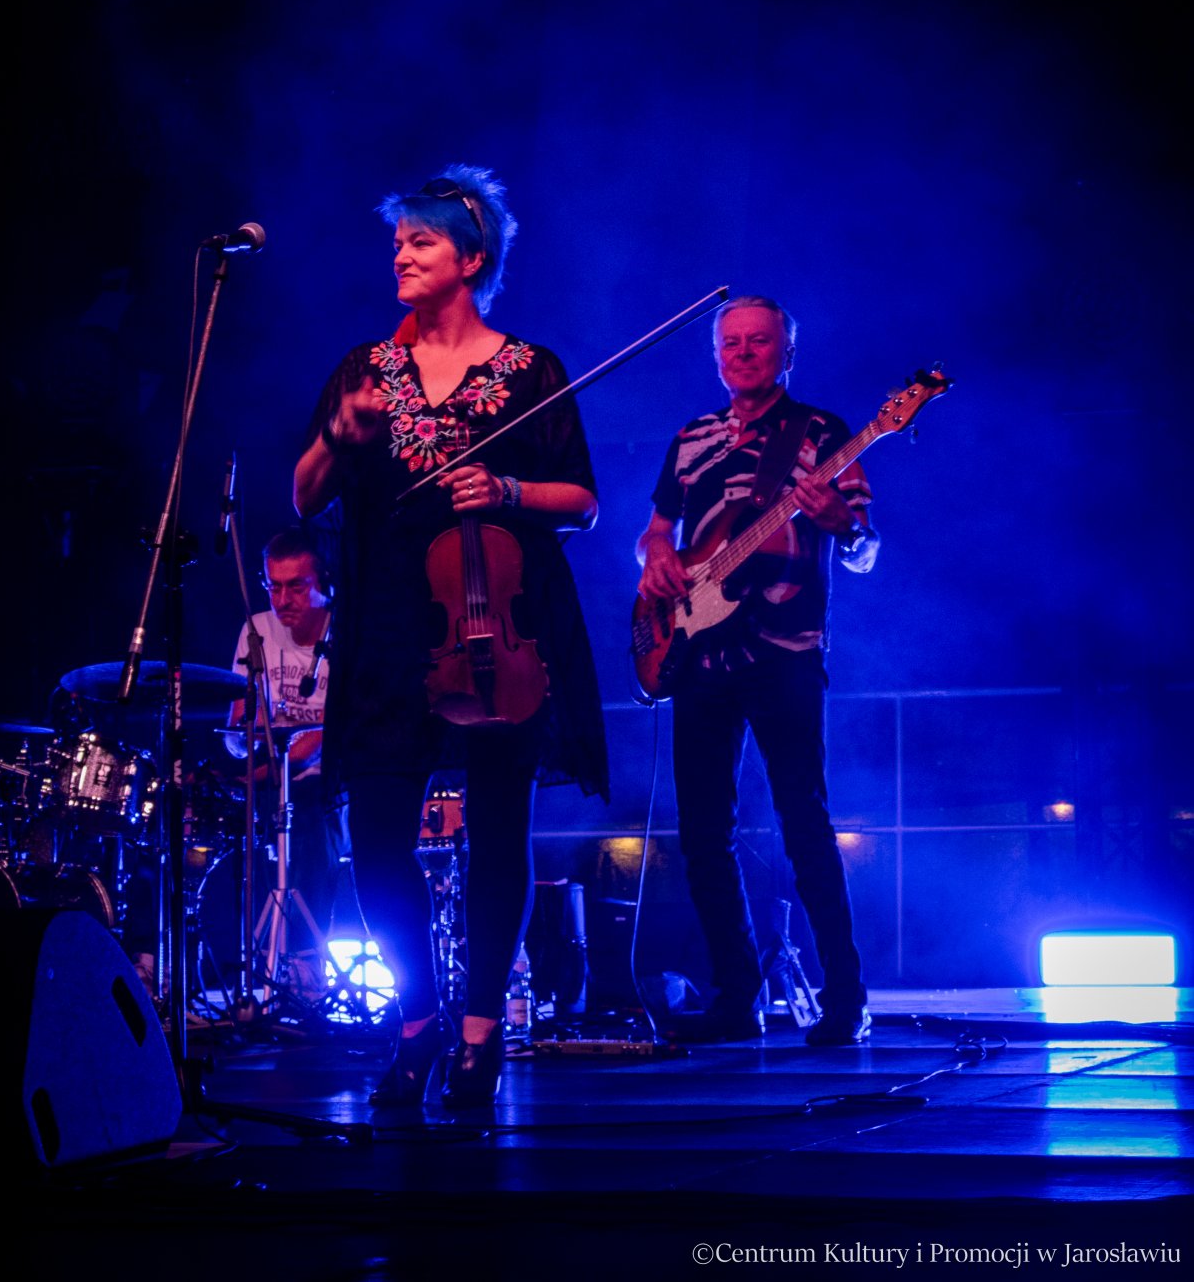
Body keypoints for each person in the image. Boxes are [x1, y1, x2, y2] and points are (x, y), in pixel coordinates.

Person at [294, 164, 606, 1106]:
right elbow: (304, 495)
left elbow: (583, 502)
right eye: (398, 241)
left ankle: (481, 1040)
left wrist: (509, 490)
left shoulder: (533, 371)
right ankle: (418, 1021)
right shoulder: (363, 372)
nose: (401, 253)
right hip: (390, 628)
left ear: (471, 257)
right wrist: (340, 436)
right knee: (377, 838)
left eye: (420, 240)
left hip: (494, 626)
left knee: (497, 835)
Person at [636, 295, 877, 1047]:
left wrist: (841, 523)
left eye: (759, 342)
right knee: (704, 832)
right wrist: (658, 563)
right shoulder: (690, 437)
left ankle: (846, 995)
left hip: (785, 651)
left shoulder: (823, 434)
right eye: (730, 343)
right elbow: (653, 534)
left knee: (805, 821)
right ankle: (736, 995)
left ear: (787, 352)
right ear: (715, 354)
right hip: (698, 653)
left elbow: (867, 546)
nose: (742, 353)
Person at [225, 528, 339, 990]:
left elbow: (329, 736)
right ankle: (241, 965)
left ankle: (307, 970)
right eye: (274, 586)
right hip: (272, 772)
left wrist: (276, 761)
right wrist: (244, 740)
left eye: (296, 586)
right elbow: (238, 724)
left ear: (324, 584)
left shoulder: (345, 632)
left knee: (310, 827)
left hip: (328, 779)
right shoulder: (256, 630)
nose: (282, 598)